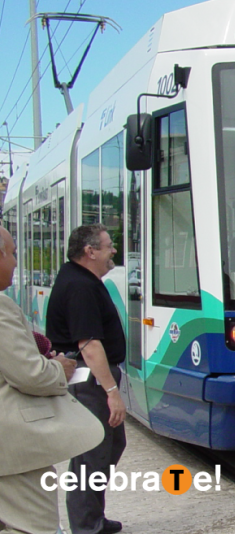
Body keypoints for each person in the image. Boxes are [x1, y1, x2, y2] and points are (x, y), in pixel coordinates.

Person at [0, 226, 103, 534]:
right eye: (14, 253)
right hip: (13, 448)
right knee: (34, 526)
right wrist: (59, 368)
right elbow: (29, 374)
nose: (17, 262)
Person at [48, 224, 128, 534]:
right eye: (109, 245)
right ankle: (86, 526)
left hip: (88, 380)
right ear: (90, 251)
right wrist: (112, 391)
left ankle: (92, 517)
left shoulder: (81, 280)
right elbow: (90, 345)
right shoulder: (80, 286)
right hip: (89, 382)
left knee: (107, 448)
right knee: (92, 454)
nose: (114, 251)